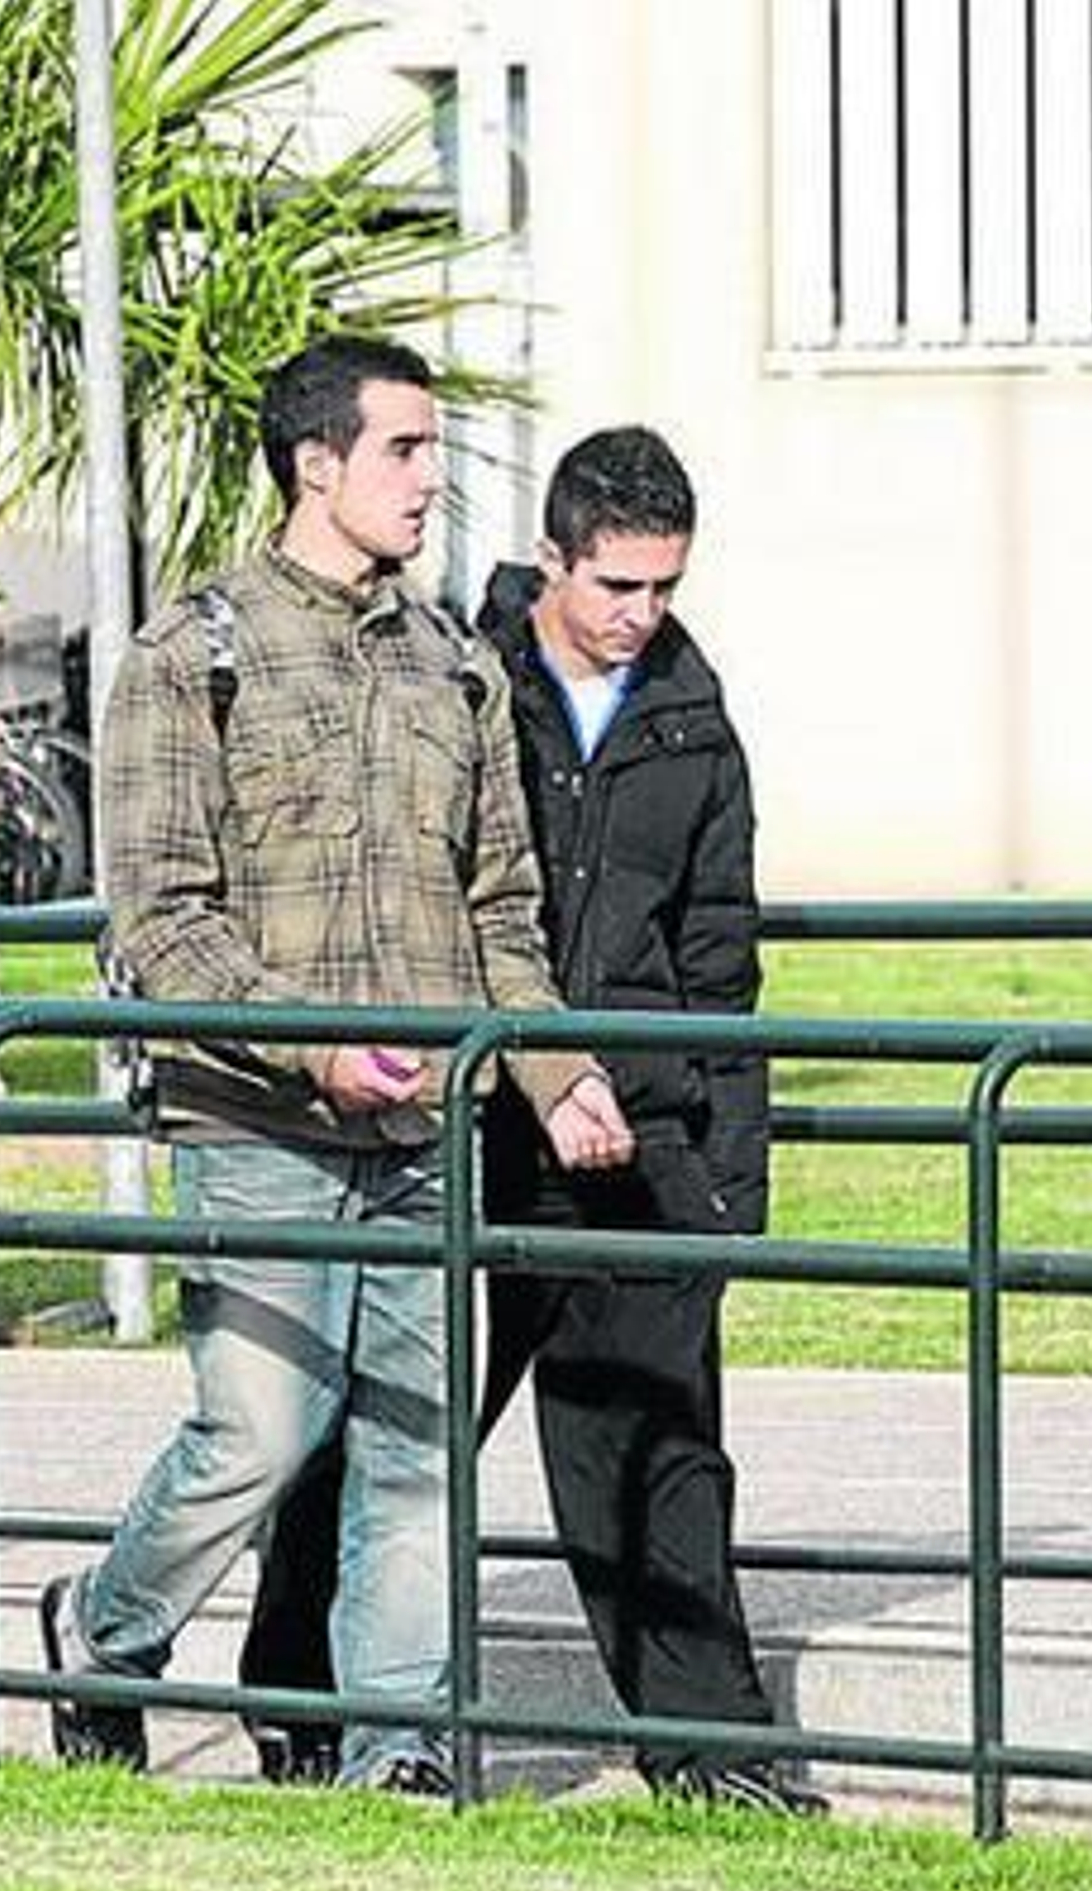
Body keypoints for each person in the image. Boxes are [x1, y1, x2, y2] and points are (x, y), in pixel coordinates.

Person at [40, 335, 634, 1796]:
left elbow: (502, 910)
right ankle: (103, 1639)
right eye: (407, 452)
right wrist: (315, 1050)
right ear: (320, 463)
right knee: (258, 1433)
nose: (435, 481)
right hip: (257, 1120)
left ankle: (399, 1753)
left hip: (429, 1124)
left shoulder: (455, 668)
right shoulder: (194, 656)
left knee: (423, 1454)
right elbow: (162, 923)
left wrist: (557, 1080)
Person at [240, 425, 828, 1816]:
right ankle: (302, 1703)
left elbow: (718, 958)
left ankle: (710, 1751)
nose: (641, 616)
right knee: (392, 1432)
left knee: (666, 1452)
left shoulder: (693, 717)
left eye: (665, 587)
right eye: (617, 585)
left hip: (644, 1145)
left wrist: (727, 1182)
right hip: (475, 1133)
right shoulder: (455, 680)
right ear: (553, 556)